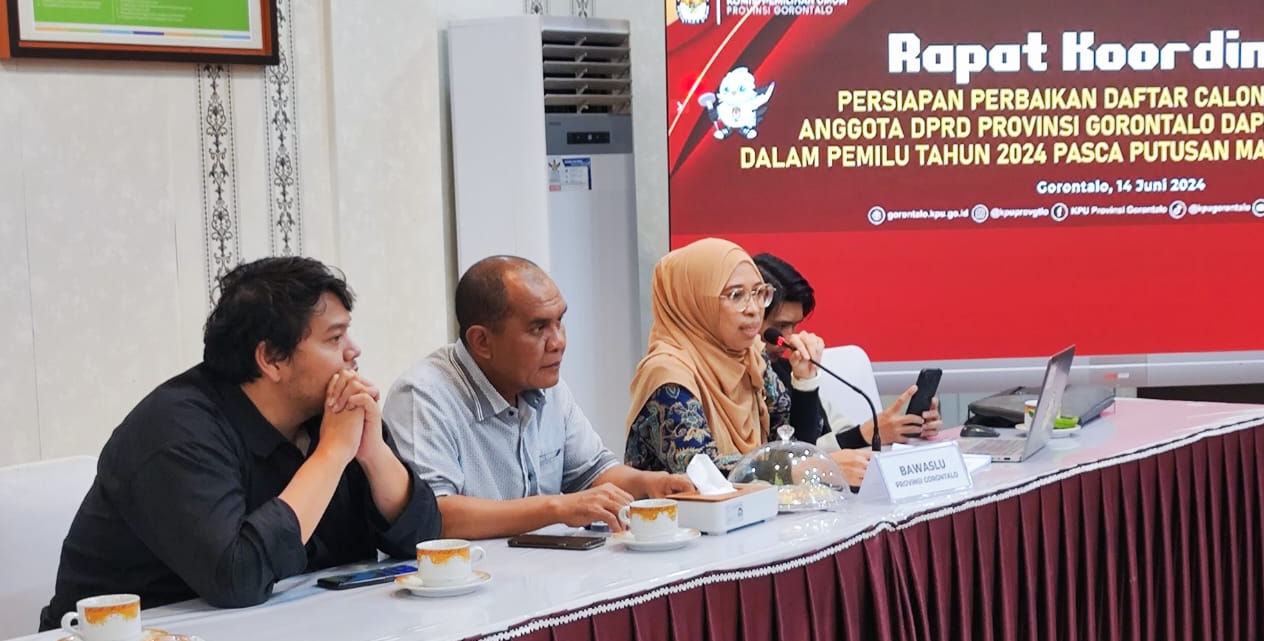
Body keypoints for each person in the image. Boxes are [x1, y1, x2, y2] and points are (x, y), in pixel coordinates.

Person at [41, 257, 440, 629]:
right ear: (271, 360)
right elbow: (237, 577)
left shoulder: (334, 415)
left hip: (288, 637)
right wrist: (332, 455)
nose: (354, 351)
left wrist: (373, 455)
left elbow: (422, 541)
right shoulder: (175, 429)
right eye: (334, 339)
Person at [385, 256, 695, 538]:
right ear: (481, 341)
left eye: (559, 321)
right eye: (538, 328)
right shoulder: (423, 396)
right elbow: (435, 515)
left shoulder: (546, 382)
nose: (558, 342)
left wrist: (649, 483)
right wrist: (556, 508)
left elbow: (592, 472)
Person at [624, 238, 860, 479]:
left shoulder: (752, 359)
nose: (755, 308)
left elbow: (793, 443)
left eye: (759, 293)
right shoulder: (668, 374)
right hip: (683, 516)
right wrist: (804, 469)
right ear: (695, 302)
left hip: (753, 511)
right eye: (736, 295)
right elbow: (702, 472)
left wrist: (805, 380)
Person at [753, 252, 943, 450]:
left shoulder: (788, 370)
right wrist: (867, 434)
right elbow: (788, 457)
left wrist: (902, 426)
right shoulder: (741, 381)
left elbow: (827, 434)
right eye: (780, 326)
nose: (789, 339)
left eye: (795, 326)